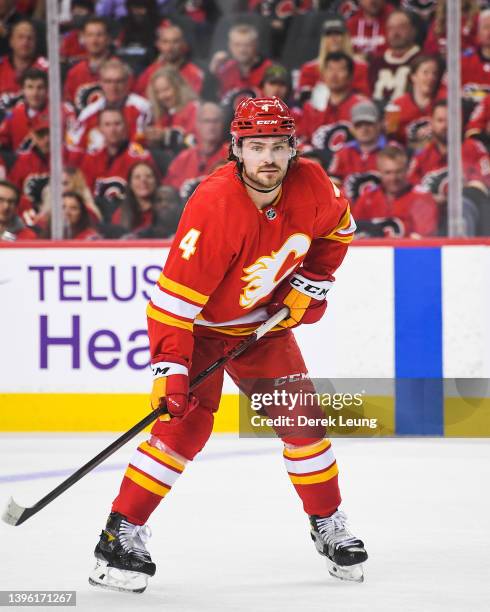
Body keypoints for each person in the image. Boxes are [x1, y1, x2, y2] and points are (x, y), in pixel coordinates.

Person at [88, 96, 367, 594]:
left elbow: (340, 230)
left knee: (304, 423)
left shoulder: (313, 184)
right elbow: (172, 301)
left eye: (278, 147)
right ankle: (119, 533)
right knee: (182, 432)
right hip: (200, 331)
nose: (268, 158)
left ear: (292, 149)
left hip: (262, 329)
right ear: (236, 148)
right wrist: (169, 369)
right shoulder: (214, 205)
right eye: (256, 146)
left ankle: (328, 524)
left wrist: (313, 282)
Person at [408, 100, 490, 235]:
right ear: (432, 123)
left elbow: (481, 187)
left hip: (469, 216)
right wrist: (431, 200)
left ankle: (463, 250)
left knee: (462, 205)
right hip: (433, 219)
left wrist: (454, 198)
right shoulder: (422, 158)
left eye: (450, 121)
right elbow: (411, 192)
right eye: (440, 121)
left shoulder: (472, 148)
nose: (445, 126)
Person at [67, 58, 151, 155]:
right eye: (108, 81)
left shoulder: (143, 107)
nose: (113, 87)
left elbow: (142, 145)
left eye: (118, 81)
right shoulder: (89, 112)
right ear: (101, 83)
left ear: (128, 82)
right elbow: (74, 146)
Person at [80, 108, 152, 215]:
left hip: (132, 216)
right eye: (107, 125)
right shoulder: (91, 158)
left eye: (117, 124)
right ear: (100, 129)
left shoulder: (140, 157)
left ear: (125, 127)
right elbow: (86, 195)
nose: (113, 129)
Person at [354, 145, 438, 237]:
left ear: (407, 170)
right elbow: (354, 233)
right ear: (379, 172)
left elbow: (425, 240)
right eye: (388, 172)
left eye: (398, 172)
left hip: (407, 250)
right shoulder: (368, 198)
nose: (393, 178)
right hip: (375, 251)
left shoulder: (421, 198)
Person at [297, 51, 367, 150]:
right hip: (317, 161)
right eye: (330, 69)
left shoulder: (361, 106)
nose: (334, 75)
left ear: (350, 76)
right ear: (323, 74)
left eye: (340, 70)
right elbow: (301, 140)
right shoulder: (311, 106)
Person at [297, 15, 370, 104]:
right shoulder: (309, 69)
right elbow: (303, 101)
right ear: (323, 40)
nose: (333, 38)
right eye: (329, 34)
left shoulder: (360, 67)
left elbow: (364, 97)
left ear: (347, 38)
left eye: (338, 33)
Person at [164, 101, 228, 198]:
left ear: (222, 124)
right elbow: (168, 192)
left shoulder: (233, 154)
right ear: (197, 124)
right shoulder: (183, 159)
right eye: (207, 121)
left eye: (216, 121)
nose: (211, 126)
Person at [328, 99, 386, 202]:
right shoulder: (343, 153)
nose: (364, 129)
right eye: (359, 125)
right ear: (352, 128)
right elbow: (332, 186)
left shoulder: (390, 151)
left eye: (369, 124)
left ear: (379, 124)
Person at [386, 54, 445, 149]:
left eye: (434, 73)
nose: (431, 78)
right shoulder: (396, 106)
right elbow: (390, 139)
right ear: (413, 76)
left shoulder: (445, 101)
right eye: (425, 73)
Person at [134, 21, 204, 97]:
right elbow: (137, 97)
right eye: (165, 42)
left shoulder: (195, 72)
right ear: (158, 45)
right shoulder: (150, 71)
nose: (170, 47)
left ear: (184, 45)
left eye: (175, 42)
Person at [369, 9, 421, 106]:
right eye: (391, 28)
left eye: (401, 27)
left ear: (413, 30)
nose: (395, 32)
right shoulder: (376, 62)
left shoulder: (422, 60)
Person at [63, 16, 113, 116]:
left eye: (99, 35)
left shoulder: (120, 70)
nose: (94, 40)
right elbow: (68, 106)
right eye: (90, 35)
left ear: (108, 38)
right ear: (83, 38)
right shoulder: (74, 73)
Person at [144, 66, 199, 155]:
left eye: (166, 89)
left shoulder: (193, 109)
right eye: (157, 92)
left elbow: (195, 142)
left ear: (178, 87)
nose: (162, 96)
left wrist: (167, 136)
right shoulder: (161, 114)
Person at [208, 23, 273, 99]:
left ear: (256, 45)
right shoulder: (225, 69)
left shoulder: (270, 69)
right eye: (237, 45)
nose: (242, 50)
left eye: (247, 45)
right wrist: (212, 71)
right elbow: (212, 100)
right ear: (230, 46)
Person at [0, 18, 48, 118]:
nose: (25, 42)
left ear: (35, 42)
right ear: (11, 41)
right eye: (20, 37)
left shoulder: (47, 69)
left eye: (29, 38)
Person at [0, 68, 48, 153]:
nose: (35, 93)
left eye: (40, 88)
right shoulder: (13, 114)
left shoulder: (61, 112)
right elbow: (2, 138)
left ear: (47, 90)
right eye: (30, 87)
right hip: (19, 164)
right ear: (23, 90)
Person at [110, 160, 160, 235]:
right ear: (130, 184)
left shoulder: (166, 211)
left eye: (148, 176)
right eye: (137, 177)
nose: (143, 180)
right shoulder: (120, 214)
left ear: (156, 181)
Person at [461, 9, 490, 103]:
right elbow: (445, 91)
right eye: (486, 27)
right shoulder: (463, 61)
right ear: (478, 31)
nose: (489, 32)